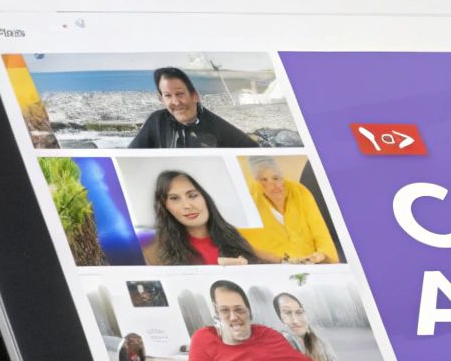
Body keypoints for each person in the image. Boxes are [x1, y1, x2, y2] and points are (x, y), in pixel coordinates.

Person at [189, 281, 321, 361]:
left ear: (249, 311)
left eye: (239, 310)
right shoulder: (203, 338)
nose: (233, 317)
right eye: (224, 310)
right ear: (216, 314)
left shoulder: (268, 336)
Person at [145, 170, 263, 266]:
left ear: (205, 198)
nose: (187, 206)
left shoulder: (235, 236)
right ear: (165, 207)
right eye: (174, 198)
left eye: (193, 195)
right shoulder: (155, 249)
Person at [239, 157, 339, 264]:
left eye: (276, 178)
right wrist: (280, 261)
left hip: (309, 264)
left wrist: (322, 254)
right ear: (257, 181)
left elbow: (321, 234)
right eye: (264, 180)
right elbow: (243, 245)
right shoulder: (247, 200)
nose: (273, 185)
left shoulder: (300, 192)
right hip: (272, 267)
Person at [128, 67, 258, 149]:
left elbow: (252, 149)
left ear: (195, 96)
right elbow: (131, 156)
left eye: (180, 94)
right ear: (162, 100)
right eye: (168, 96)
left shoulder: (217, 126)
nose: (176, 102)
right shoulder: (156, 121)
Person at [273, 292, 339, 361]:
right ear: (279, 316)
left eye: (299, 312)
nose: (295, 321)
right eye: (287, 313)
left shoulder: (318, 337)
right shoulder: (282, 340)